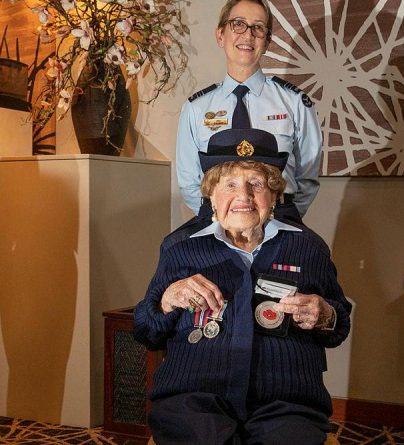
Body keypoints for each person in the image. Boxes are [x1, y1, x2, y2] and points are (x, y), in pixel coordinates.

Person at [134, 128, 351, 445]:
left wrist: (325, 315)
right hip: (195, 397)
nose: (244, 197)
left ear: (274, 195)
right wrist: (167, 300)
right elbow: (145, 331)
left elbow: (339, 325)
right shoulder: (180, 248)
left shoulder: (308, 248)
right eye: (230, 184)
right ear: (211, 194)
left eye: (257, 184)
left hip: (287, 401)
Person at [176, 0, 322, 225]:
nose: (248, 35)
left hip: (279, 222)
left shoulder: (295, 103)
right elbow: (189, 182)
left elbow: (307, 178)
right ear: (220, 35)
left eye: (258, 27)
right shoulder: (196, 109)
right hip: (217, 226)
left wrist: (280, 219)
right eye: (238, 24)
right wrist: (223, 222)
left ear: (267, 41)